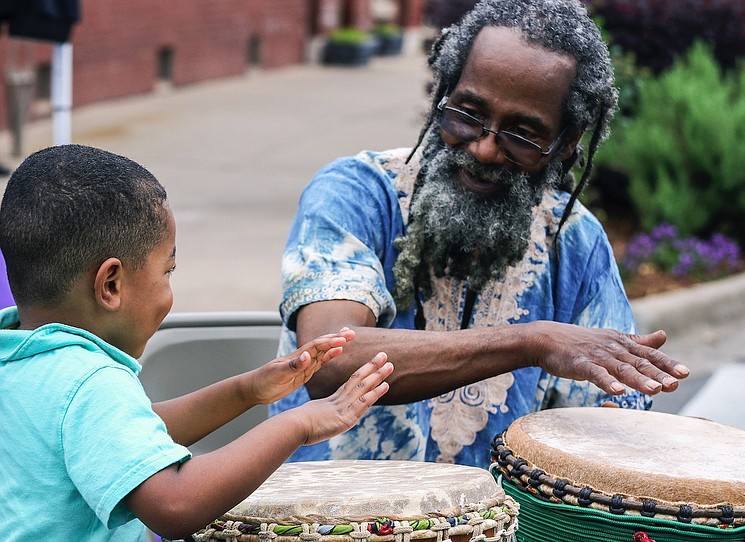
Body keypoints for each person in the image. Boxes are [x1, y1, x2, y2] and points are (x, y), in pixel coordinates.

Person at [270, 0, 690, 467]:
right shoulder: (356, 193)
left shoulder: (574, 242)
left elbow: (612, 423)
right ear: (443, 94)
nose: (486, 148)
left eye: (523, 134)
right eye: (468, 113)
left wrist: (618, 426)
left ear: (566, 143)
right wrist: (531, 342)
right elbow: (326, 360)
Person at [0, 144, 394, 541]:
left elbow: (128, 434)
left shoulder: (21, 356)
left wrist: (247, 390)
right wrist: (300, 422)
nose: (169, 290)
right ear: (111, 285)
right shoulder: (91, 380)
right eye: (167, 270)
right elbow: (176, 504)